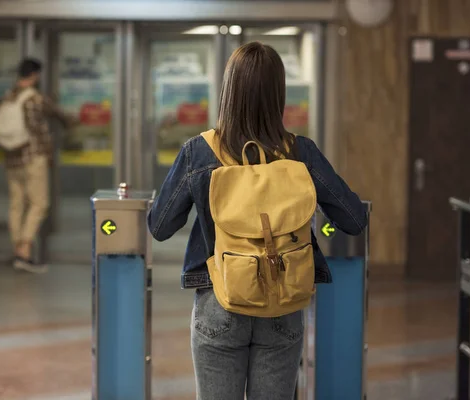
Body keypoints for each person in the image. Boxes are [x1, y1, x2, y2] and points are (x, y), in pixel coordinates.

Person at [147, 42, 368, 400]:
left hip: (220, 301)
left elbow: (160, 227)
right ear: (278, 93)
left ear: (228, 91)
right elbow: (354, 220)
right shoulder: (300, 153)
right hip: (283, 300)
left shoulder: (199, 152)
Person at [0, 58, 71, 274]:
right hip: (33, 158)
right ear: (35, 75)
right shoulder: (35, 99)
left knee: (16, 204)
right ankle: (24, 250)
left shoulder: (9, 96)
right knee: (39, 203)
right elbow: (57, 117)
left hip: (11, 158)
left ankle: (17, 248)